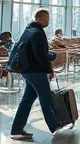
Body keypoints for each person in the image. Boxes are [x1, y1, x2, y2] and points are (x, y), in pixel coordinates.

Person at [10, 9, 64, 140]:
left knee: (27, 99)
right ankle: (54, 125)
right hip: (35, 71)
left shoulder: (28, 30)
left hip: (27, 70)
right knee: (46, 98)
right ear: (39, 18)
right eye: (47, 18)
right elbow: (40, 55)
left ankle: (16, 130)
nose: (48, 21)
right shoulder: (37, 33)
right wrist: (49, 67)